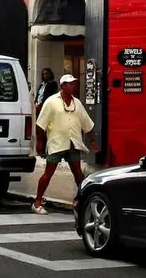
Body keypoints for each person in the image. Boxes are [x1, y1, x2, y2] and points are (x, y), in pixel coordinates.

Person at [32, 74, 97, 215]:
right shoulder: (51, 102)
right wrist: (39, 143)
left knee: (78, 174)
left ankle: (82, 200)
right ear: (62, 86)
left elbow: (87, 124)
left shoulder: (77, 103)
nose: (72, 86)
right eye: (69, 84)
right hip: (57, 143)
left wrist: (93, 140)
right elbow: (40, 125)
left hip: (73, 143)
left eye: (73, 84)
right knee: (48, 174)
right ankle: (37, 202)